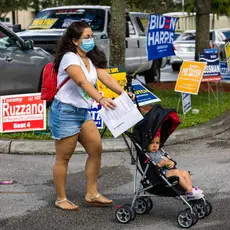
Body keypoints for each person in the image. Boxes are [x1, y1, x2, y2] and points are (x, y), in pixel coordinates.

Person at [48, 21, 135, 211]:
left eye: (91, 36)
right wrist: (101, 98)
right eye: (86, 37)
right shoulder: (69, 58)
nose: (91, 40)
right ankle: (61, 198)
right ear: (75, 41)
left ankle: (92, 194)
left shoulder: (89, 58)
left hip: (82, 112)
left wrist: (122, 92)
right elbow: (82, 82)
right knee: (64, 158)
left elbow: (105, 77)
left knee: (96, 149)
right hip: (65, 112)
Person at [148, 131, 204, 200]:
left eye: (157, 143)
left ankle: (191, 190)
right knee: (177, 173)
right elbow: (151, 167)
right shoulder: (148, 155)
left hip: (166, 170)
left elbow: (166, 160)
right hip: (159, 174)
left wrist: (171, 163)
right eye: (152, 143)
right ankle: (190, 191)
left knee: (185, 172)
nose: (155, 145)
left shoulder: (158, 152)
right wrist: (159, 165)